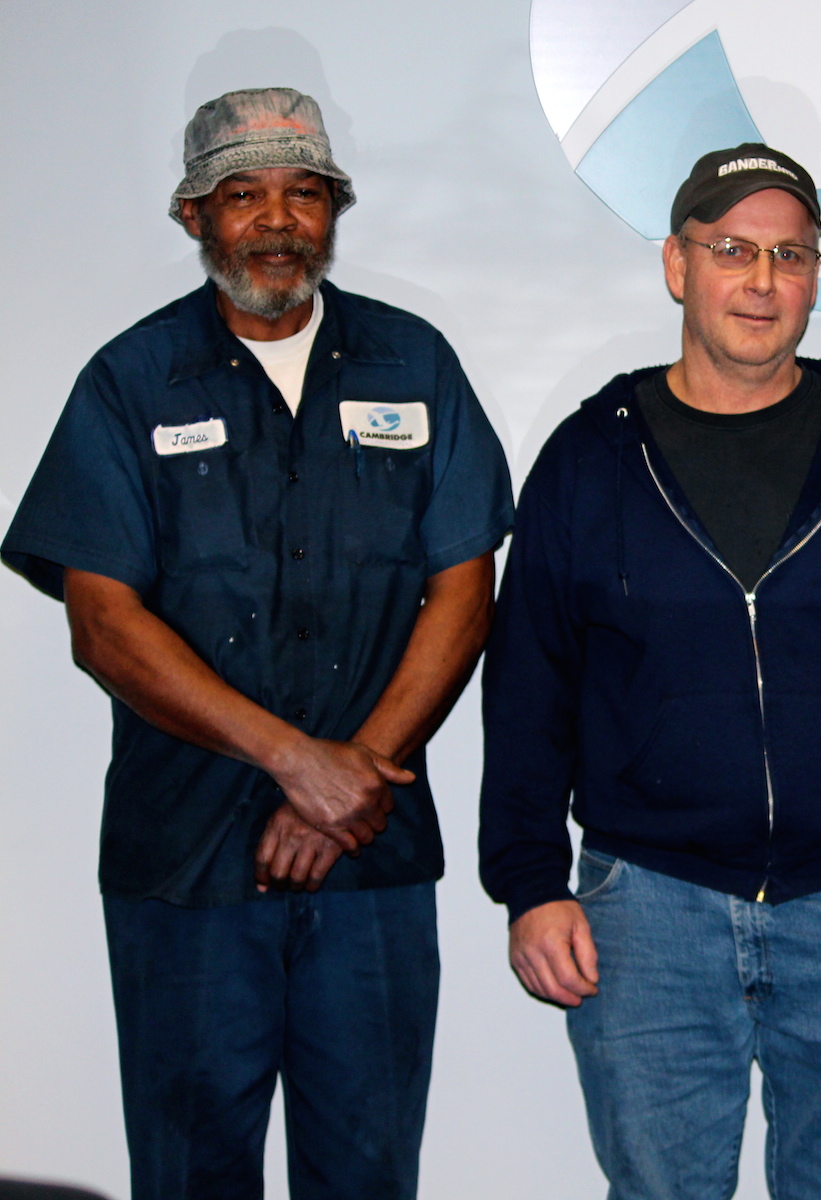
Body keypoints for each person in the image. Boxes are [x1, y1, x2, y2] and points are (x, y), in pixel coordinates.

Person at [0, 89, 513, 1199]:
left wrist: (348, 781)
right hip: (184, 868)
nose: (277, 221)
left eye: (304, 192)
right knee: (189, 1176)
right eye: (244, 194)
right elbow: (104, 624)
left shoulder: (413, 364)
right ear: (193, 217)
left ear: (335, 209)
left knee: (369, 1173)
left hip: (370, 859)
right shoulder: (128, 384)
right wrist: (297, 762)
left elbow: (464, 593)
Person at [478, 143, 821, 1200]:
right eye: (733, 250)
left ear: (815, 275)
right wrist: (530, 883)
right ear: (678, 265)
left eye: (790, 254)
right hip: (647, 907)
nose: (763, 281)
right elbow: (528, 686)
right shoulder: (589, 459)